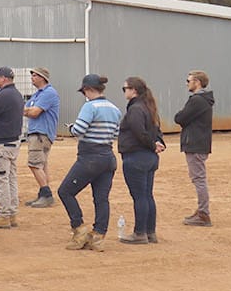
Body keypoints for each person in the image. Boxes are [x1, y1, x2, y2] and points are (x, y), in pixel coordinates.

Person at [56, 73, 120, 252]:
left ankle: (79, 229)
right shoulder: (115, 109)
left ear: (87, 89)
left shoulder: (89, 107)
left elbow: (79, 130)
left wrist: (71, 128)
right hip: (107, 156)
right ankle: (98, 236)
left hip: (89, 157)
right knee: (101, 198)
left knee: (65, 191)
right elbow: (115, 135)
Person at [118, 76, 165, 244]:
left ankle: (139, 233)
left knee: (140, 196)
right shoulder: (148, 107)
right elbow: (156, 130)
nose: (124, 92)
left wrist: (153, 145)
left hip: (136, 157)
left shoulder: (136, 109)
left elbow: (139, 132)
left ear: (134, 90)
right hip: (148, 158)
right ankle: (150, 232)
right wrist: (158, 144)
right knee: (146, 195)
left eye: (125, 89)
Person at [0, 67, 24, 227]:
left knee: (1, 178)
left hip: (1, 142)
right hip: (13, 141)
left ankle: (3, 215)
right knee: (11, 178)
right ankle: (12, 213)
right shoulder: (17, 94)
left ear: (4, 78)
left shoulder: (2, 96)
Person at [175, 70, 214, 227]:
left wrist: (181, 116)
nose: (187, 83)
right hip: (198, 143)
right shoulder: (202, 100)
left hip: (195, 144)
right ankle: (202, 211)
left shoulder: (197, 100)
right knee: (199, 178)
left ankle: (203, 213)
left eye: (189, 80)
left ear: (197, 82)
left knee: (199, 179)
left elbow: (180, 118)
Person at [23, 68, 60, 208]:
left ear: (43, 78)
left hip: (40, 133)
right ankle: (43, 193)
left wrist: (28, 111)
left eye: (35, 75)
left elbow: (34, 112)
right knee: (42, 165)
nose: (32, 77)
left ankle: (46, 194)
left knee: (34, 164)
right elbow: (27, 109)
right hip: (39, 132)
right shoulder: (37, 95)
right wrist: (28, 111)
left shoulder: (48, 93)